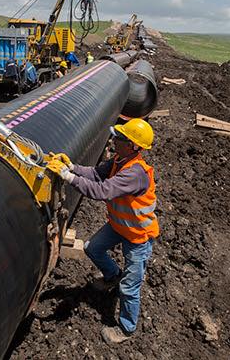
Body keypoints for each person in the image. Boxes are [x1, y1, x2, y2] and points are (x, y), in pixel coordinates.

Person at [46, 118, 158, 345]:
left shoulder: (134, 173)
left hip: (137, 236)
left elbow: (101, 190)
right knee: (92, 248)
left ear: (134, 146)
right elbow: (96, 174)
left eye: (121, 138)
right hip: (119, 227)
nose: (115, 140)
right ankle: (112, 275)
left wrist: (69, 178)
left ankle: (126, 328)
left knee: (130, 287)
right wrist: (72, 168)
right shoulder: (119, 159)